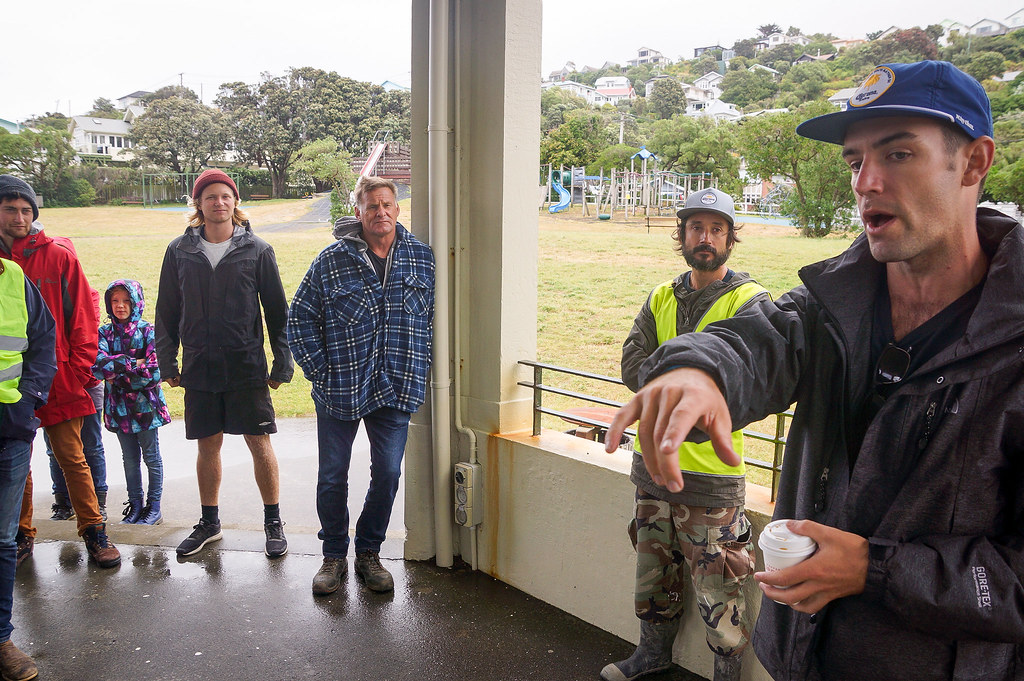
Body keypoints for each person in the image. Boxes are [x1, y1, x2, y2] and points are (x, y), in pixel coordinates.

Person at [604, 60, 1022, 680]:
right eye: (855, 161)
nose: (866, 182)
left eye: (899, 154)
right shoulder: (834, 303)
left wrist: (875, 569)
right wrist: (696, 370)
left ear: (974, 163)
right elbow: (758, 340)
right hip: (799, 658)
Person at [603, 189, 770, 681]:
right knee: (654, 577)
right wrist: (684, 388)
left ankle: (726, 676)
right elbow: (632, 362)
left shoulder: (749, 301)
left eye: (717, 229)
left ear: (730, 239)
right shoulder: (661, 296)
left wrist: (669, 386)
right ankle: (651, 655)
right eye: (696, 227)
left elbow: (750, 378)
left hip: (713, 483)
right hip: (651, 475)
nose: (706, 237)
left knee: (720, 590)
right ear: (680, 236)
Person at [288, 176, 434, 595]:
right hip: (341, 387)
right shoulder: (330, 261)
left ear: (397, 209)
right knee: (333, 476)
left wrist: (417, 367)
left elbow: (429, 321)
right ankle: (333, 555)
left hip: (396, 386)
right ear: (358, 212)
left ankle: (369, 552)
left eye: (387, 205)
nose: (380, 213)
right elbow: (299, 319)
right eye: (371, 206)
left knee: (387, 473)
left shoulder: (422, 259)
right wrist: (320, 370)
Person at [155, 169, 293, 558]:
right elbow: (166, 311)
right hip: (199, 365)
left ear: (236, 203)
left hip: (245, 364)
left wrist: (282, 362)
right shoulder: (178, 251)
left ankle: (272, 521)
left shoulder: (258, 250)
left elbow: (277, 313)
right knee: (208, 444)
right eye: (210, 197)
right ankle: (210, 523)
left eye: (226, 196)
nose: (219, 203)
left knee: (259, 441)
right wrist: (167, 361)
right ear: (197, 204)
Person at [0, 175, 120, 569]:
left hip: (60, 378)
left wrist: (82, 369)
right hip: (9, 384)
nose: (20, 217)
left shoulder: (58, 256)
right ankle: (20, 535)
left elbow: (82, 317)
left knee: (73, 457)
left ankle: (94, 531)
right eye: (10, 209)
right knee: (18, 461)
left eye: (26, 210)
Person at [0, 255, 55, 681]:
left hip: (9, 429)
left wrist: (28, 400)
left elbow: (43, 339)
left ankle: (0, 638)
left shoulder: (13, 276)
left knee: (3, 540)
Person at [92, 279, 170, 525]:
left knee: (151, 456)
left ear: (136, 303)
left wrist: (118, 374)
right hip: (119, 409)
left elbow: (154, 372)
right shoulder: (104, 333)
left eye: (126, 301)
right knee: (129, 458)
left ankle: (153, 506)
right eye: (115, 301)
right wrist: (133, 363)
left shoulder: (149, 331)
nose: (120, 306)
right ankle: (135, 504)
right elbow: (98, 367)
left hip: (146, 408)